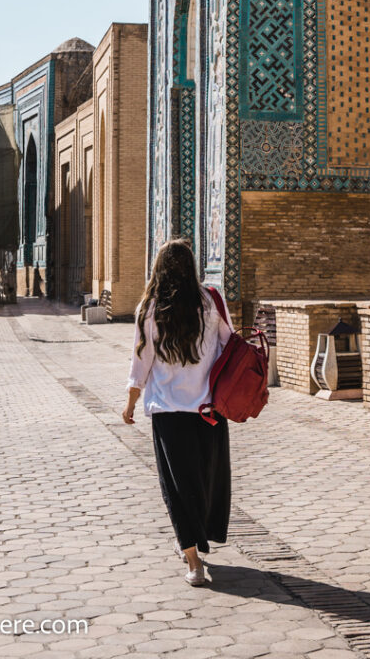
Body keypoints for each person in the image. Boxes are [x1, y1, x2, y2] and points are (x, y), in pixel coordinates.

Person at [122, 239, 233, 586]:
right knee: (203, 480)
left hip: (169, 413)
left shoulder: (150, 308)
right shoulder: (211, 301)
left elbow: (142, 359)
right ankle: (197, 543)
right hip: (208, 410)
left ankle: (193, 562)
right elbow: (231, 346)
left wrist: (130, 402)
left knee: (177, 486)